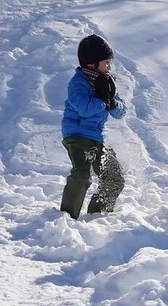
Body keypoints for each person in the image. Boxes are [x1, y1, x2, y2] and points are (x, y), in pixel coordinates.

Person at [60, 34, 126, 219]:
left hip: (97, 138)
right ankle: (66, 217)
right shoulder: (78, 83)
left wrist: (113, 102)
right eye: (106, 63)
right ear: (91, 64)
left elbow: (120, 112)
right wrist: (103, 99)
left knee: (115, 177)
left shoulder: (106, 81)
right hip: (77, 135)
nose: (109, 67)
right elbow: (85, 108)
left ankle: (97, 215)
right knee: (82, 176)